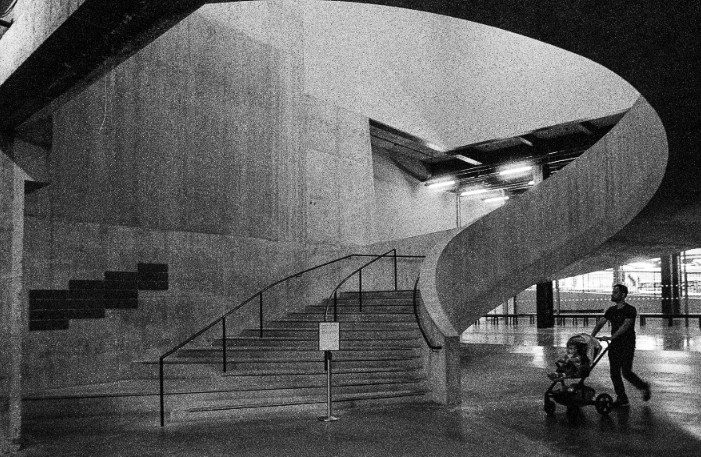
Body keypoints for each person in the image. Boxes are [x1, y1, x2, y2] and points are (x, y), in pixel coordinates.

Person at [591, 283, 651, 407]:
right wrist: (592, 336)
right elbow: (601, 322)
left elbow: (625, 325)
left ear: (623, 295)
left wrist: (612, 337)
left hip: (627, 343)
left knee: (626, 372)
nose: (612, 294)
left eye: (615, 292)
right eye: (613, 292)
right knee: (614, 373)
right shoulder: (611, 310)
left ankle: (644, 387)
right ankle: (622, 398)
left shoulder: (630, 309)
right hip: (615, 345)